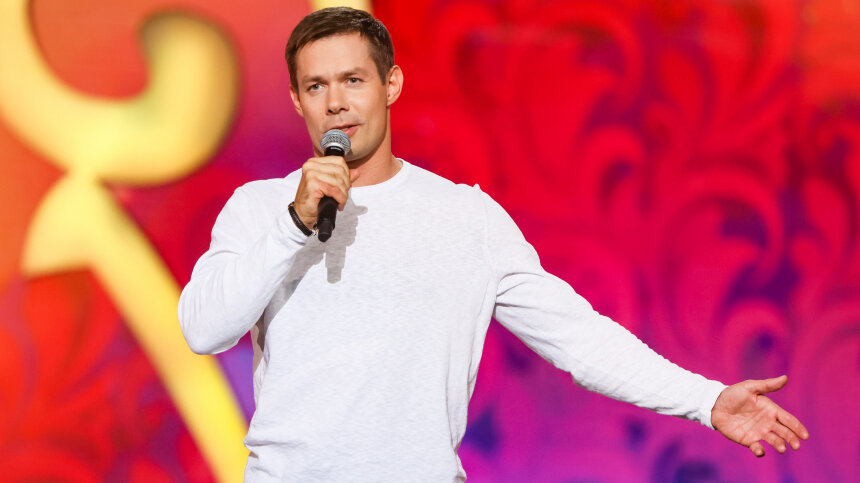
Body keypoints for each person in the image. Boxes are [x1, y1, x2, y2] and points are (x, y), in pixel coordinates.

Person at [177, 6, 809, 482]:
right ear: (296, 100)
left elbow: (577, 337)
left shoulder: (465, 217)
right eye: (316, 86)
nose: (336, 103)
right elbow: (203, 330)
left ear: (391, 85)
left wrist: (704, 400)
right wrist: (293, 223)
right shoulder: (260, 209)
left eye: (353, 80)